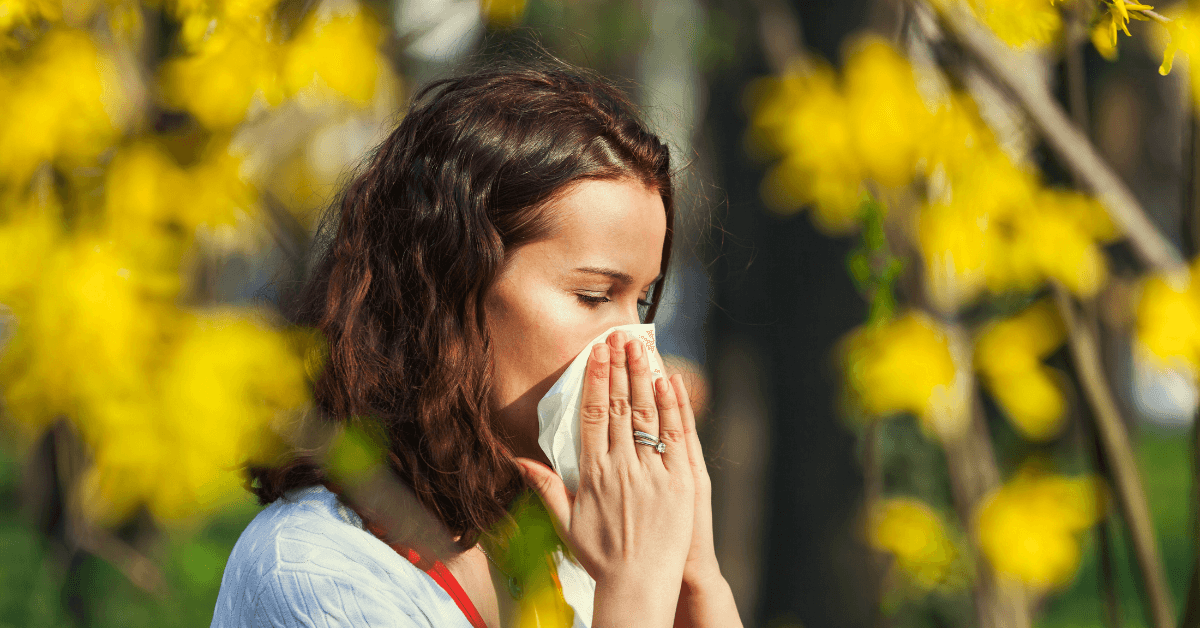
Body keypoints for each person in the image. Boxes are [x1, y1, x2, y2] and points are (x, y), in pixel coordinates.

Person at [210, 60, 742, 628]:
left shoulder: (575, 549)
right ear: (448, 284)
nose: (636, 348)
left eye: (640, 302)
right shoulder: (316, 571)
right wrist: (633, 593)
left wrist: (696, 580)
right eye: (592, 296)